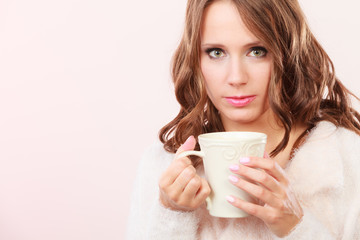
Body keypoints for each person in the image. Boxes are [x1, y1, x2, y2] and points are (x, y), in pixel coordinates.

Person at [127, 0, 360, 239]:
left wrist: (296, 227)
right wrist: (171, 214)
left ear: (288, 53)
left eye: (257, 51)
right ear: (195, 60)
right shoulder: (162, 167)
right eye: (216, 52)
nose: (236, 77)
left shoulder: (346, 158)